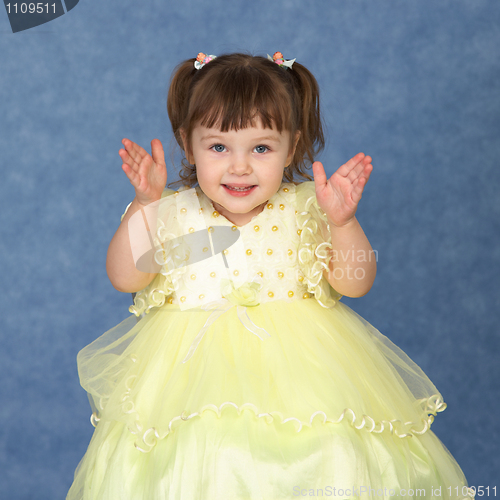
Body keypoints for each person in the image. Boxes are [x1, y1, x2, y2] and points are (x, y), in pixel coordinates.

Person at [67, 52, 474, 499]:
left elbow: (354, 282)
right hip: (186, 380)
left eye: (261, 148)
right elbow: (126, 277)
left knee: (327, 450)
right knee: (198, 461)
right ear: (187, 145)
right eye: (218, 147)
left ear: (292, 147)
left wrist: (342, 223)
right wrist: (145, 203)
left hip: (303, 378)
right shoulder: (170, 212)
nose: (239, 166)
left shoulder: (305, 207)